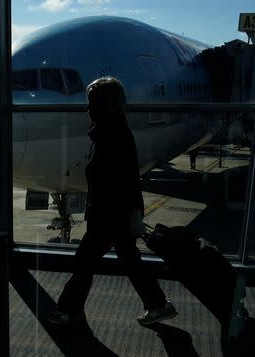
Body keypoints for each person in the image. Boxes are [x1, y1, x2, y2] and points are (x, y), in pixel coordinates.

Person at [47, 77, 177, 327]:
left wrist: (130, 214)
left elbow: (124, 181)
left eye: (91, 103)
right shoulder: (112, 132)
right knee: (129, 260)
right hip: (114, 214)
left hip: (109, 215)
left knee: (85, 263)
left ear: (103, 106)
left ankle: (69, 310)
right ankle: (158, 304)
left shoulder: (112, 137)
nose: (87, 109)